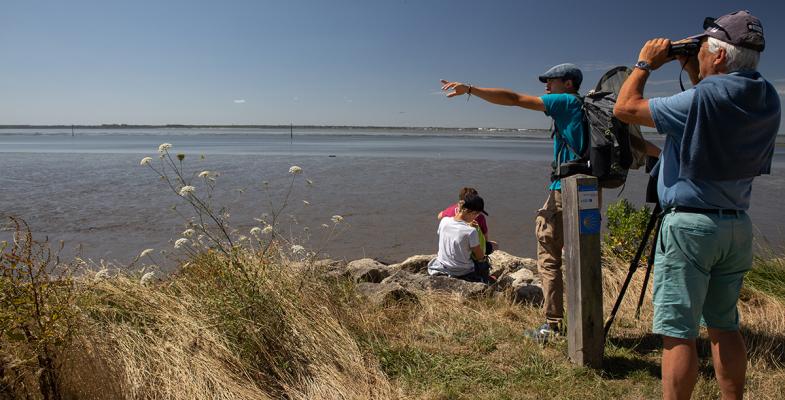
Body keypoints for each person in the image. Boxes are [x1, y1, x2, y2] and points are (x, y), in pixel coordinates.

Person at [613, 10, 780, 400]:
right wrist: (694, 67)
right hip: (735, 224)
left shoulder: (702, 98)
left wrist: (644, 63)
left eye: (704, 47)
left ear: (719, 55)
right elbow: (707, 108)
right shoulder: (766, 97)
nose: (699, 52)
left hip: (690, 228)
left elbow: (625, 108)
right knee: (724, 325)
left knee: (678, 333)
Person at [441, 63, 586, 337]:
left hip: (563, 189)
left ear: (568, 84)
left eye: (551, 81)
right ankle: (586, 323)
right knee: (582, 254)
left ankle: (552, 326)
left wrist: (470, 89)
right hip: (588, 188)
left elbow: (515, 99)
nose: (546, 86)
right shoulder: (586, 107)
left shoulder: (565, 101)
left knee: (550, 258)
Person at [427, 193, 491, 283]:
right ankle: (485, 281)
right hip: (463, 271)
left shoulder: (444, 221)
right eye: (477, 214)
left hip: (443, 266)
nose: (476, 217)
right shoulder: (471, 231)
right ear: (472, 212)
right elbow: (479, 256)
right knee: (483, 261)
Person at [437, 187, 496, 255]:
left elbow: (439, 216)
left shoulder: (448, 215)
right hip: (470, 248)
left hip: (451, 245)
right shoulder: (478, 218)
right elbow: (485, 236)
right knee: (495, 244)